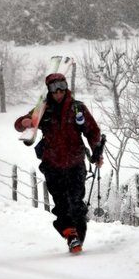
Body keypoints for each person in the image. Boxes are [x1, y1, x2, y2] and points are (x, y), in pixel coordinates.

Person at [14, 72, 104, 253]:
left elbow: (92, 131)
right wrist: (24, 122)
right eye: (54, 88)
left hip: (76, 163)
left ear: (66, 86)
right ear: (49, 90)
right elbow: (18, 125)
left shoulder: (78, 109)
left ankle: (78, 237)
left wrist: (97, 153)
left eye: (62, 86)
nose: (58, 92)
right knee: (62, 204)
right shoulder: (42, 109)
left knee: (77, 203)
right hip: (52, 165)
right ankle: (71, 236)